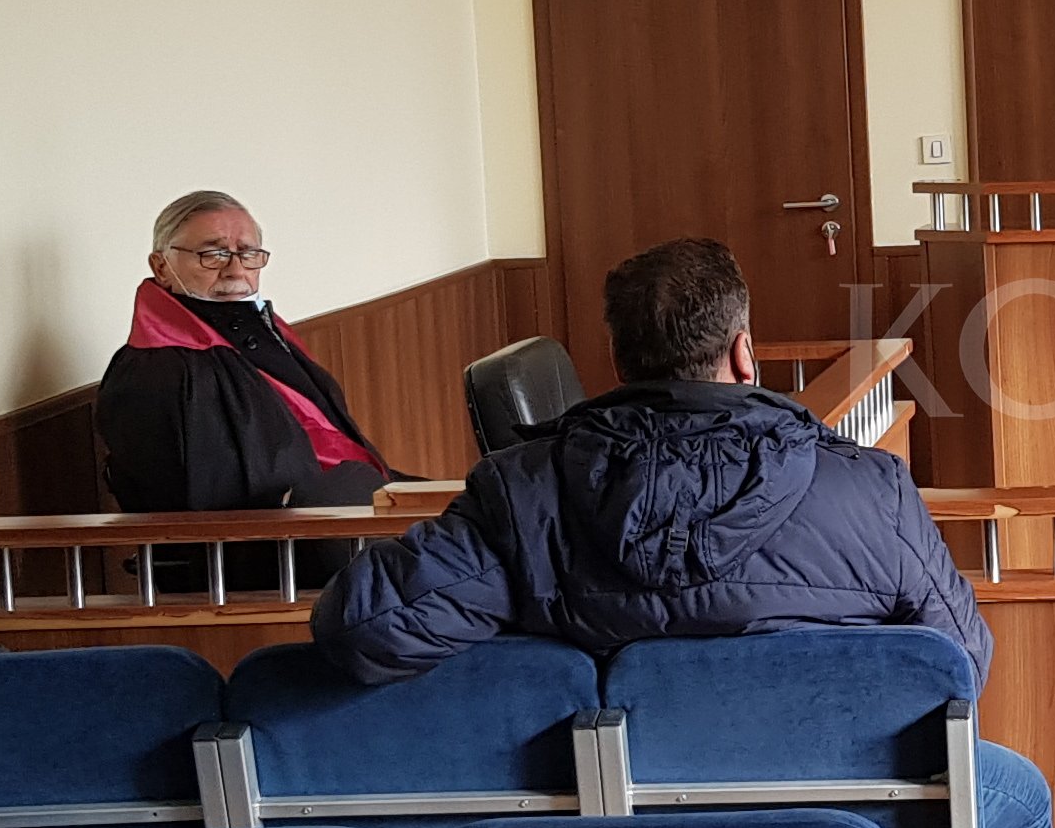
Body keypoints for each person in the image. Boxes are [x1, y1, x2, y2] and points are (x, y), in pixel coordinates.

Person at [312, 237, 989, 683]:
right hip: (833, 816)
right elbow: (963, 660)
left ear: (617, 361)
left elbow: (362, 627)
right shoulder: (871, 490)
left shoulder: (523, 493)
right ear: (745, 354)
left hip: (616, 826)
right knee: (1022, 802)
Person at [97, 192, 398, 512]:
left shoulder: (265, 330)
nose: (236, 270)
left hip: (346, 503)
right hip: (282, 532)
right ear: (161, 267)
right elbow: (188, 506)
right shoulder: (152, 370)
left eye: (248, 253)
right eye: (214, 254)